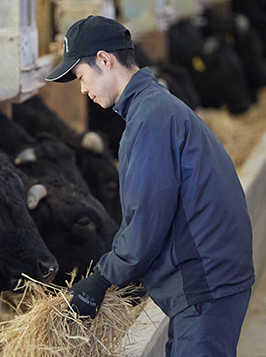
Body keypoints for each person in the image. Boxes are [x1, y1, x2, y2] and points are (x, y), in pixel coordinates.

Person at [46, 15, 255, 356]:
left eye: (81, 77)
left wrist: (101, 278)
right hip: (210, 276)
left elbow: (146, 219)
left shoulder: (150, 120)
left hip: (205, 281)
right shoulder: (154, 107)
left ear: (104, 60)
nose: (82, 90)